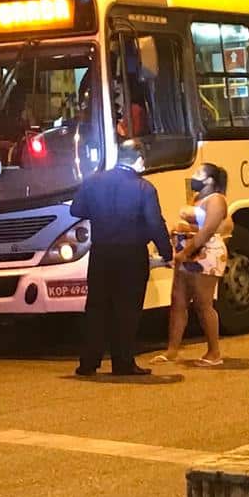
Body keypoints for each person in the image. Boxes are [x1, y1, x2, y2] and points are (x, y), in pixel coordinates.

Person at [69, 140, 173, 376]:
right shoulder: (144, 188)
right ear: (139, 160)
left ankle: (88, 362)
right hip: (131, 254)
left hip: (101, 253)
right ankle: (122, 361)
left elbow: (76, 210)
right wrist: (166, 252)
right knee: (127, 309)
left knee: (96, 307)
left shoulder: (94, 181)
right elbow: (155, 223)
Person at [152, 163, 232, 368]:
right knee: (178, 301)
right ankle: (172, 351)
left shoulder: (217, 200)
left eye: (199, 174)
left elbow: (207, 231)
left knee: (203, 303)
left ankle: (214, 352)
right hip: (187, 254)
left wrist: (185, 253)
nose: (193, 177)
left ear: (210, 180)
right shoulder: (198, 198)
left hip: (204, 254)